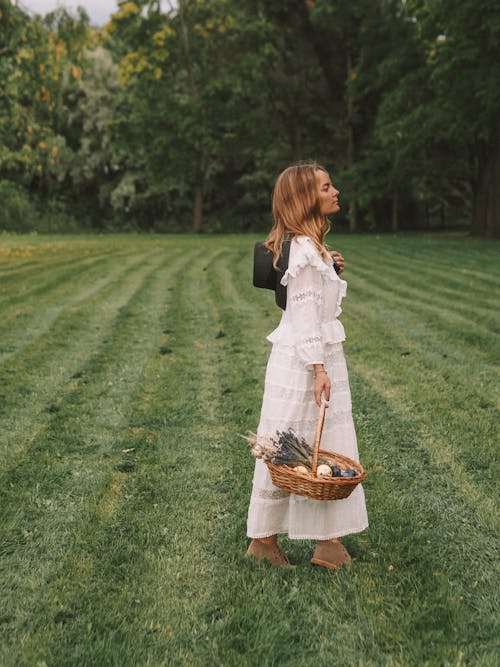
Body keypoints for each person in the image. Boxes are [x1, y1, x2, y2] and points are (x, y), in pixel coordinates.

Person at [246, 162, 368, 570]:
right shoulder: (301, 251)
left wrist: (327, 267)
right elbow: (304, 316)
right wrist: (318, 369)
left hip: (313, 357)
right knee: (291, 447)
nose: (335, 192)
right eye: (326, 187)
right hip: (304, 362)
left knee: (316, 447)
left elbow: (315, 303)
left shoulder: (309, 249)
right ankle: (264, 542)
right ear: (305, 199)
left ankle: (327, 544)